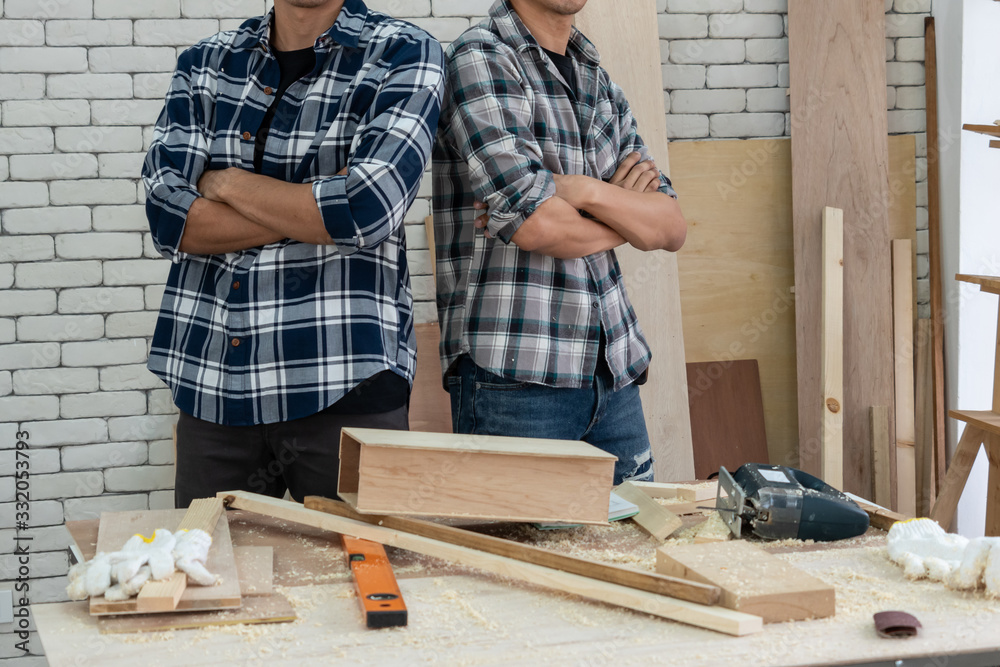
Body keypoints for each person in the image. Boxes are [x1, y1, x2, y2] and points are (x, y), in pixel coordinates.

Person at [142, 0, 444, 508]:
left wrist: (228, 182)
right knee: (210, 579)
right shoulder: (204, 64)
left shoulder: (404, 52)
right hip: (213, 387)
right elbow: (172, 219)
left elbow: (365, 210)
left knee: (363, 582)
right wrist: (306, 207)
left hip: (347, 388)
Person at [432, 0, 687, 485]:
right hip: (516, 381)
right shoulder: (481, 57)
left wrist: (582, 191)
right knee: (525, 559)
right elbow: (537, 228)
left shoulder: (596, 78)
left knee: (631, 556)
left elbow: (670, 227)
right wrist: (625, 217)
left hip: (613, 372)